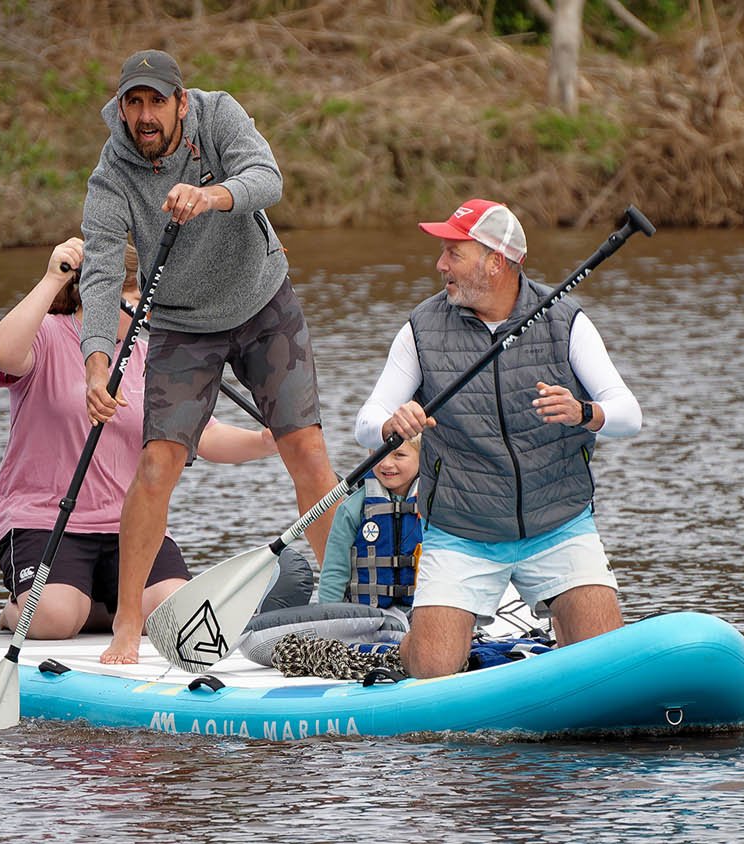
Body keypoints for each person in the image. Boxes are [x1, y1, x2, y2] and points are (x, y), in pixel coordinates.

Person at [79, 49, 337, 664]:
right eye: (132, 103)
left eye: (155, 102)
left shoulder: (220, 116)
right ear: (120, 107)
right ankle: (128, 626)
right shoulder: (111, 173)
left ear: (181, 102)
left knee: (305, 448)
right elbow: (100, 270)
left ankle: (339, 600)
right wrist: (95, 360)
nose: (143, 116)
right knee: (156, 464)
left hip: (262, 300)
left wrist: (213, 195)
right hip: (181, 324)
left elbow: (267, 178)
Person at [354, 199, 644, 678]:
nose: (440, 264)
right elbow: (367, 420)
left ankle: (560, 642)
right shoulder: (421, 329)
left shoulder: (566, 321)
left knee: (605, 663)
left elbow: (629, 415)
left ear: (495, 263)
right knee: (432, 671)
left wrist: (583, 412)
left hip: (559, 521)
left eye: (454, 253)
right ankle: (404, 645)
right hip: (462, 530)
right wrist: (392, 423)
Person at [0, 236, 278, 641]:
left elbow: (205, 437)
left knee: (177, 612)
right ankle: (28, 611)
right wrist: (54, 278)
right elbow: (0, 352)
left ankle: (95, 604)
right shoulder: (49, 335)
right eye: (138, 295)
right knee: (51, 619)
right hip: (46, 519)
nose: (149, 308)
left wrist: (266, 441)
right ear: (98, 293)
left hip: (130, 523)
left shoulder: (153, 355)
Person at [316, 434, 423, 618]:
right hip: (366, 619)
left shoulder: (436, 507)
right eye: (379, 454)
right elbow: (334, 573)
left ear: (423, 457)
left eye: (399, 455)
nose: (386, 463)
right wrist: (328, 621)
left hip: (422, 618)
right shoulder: (352, 508)